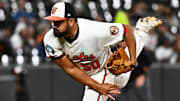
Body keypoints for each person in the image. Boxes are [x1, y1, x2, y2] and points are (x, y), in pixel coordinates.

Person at [43, 2, 161, 101]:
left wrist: (133, 59)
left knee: (123, 75)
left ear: (71, 21)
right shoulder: (50, 40)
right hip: (93, 74)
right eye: (52, 21)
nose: (54, 25)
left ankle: (140, 32)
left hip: (104, 67)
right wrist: (98, 86)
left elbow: (127, 30)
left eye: (58, 22)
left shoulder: (93, 30)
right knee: (122, 80)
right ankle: (140, 31)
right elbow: (71, 69)